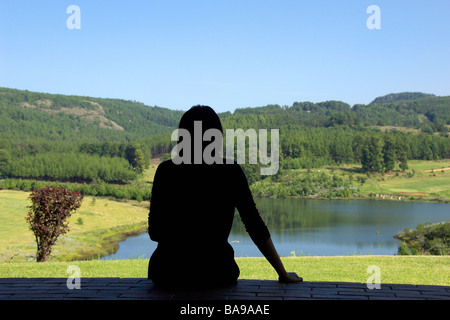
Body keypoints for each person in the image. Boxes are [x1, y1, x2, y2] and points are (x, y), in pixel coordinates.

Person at [148, 105, 302, 289]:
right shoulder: (230, 171)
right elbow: (254, 224)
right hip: (217, 273)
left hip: (167, 274)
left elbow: (155, 232)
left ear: (182, 136)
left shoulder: (166, 172)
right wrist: (282, 273)